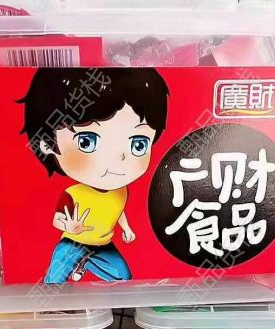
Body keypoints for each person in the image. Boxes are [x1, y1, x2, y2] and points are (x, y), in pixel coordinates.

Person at [19, 68, 169, 283]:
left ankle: (86, 262)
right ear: (48, 144)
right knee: (53, 281)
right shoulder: (74, 193)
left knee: (123, 277)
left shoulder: (121, 190)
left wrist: (126, 228)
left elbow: (117, 210)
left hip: (103, 244)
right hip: (73, 242)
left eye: (138, 144)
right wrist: (68, 227)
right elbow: (58, 218)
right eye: (87, 141)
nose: (118, 159)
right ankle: (78, 262)